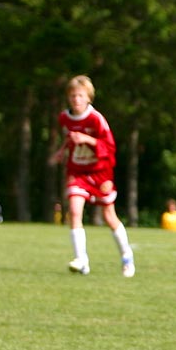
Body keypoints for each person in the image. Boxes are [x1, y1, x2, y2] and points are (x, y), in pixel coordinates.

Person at [48, 75, 134, 277]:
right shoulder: (64, 118)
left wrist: (88, 139)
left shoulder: (96, 119)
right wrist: (62, 151)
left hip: (99, 171)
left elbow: (109, 146)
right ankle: (82, 260)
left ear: (88, 98)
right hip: (77, 171)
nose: (76, 99)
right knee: (75, 211)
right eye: (72, 96)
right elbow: (70, 138)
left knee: (109, 217)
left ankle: (126, 256)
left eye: (80, 95)